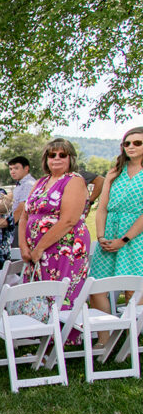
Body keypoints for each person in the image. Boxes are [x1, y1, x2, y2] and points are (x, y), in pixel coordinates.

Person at [17, 139, 90, 339]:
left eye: (62, 155)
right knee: (40, 291)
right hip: (35, 249)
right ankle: (42, 335)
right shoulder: (40, 182)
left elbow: (69, 220)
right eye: (52, 155)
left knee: (60, 291)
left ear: (70, 158)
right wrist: (24, 246)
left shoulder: (74, 180)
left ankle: (63, 339)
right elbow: (24, 215)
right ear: (46, 159)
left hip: (63, 248)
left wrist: (40, 247)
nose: (56, 158)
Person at [90, 127, 143, 306]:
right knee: (96, 288)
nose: (131, 146)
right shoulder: (115, 172)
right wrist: (101, 236)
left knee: (133, 290)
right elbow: (102, 208)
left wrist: (125, 239)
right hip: (110, 234)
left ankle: (132, 333)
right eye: (127, 143)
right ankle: (106, 334)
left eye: (137, 143)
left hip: (136, 236)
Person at [7, 156, 35, 253]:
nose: (12, 172)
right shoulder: (20, 184)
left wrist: (8, 225)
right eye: (10, 169)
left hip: (20, 225)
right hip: (17, 224)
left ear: (26, 168)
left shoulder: (28, 184)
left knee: (17, 256)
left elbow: (21, 208)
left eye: (16, 168)